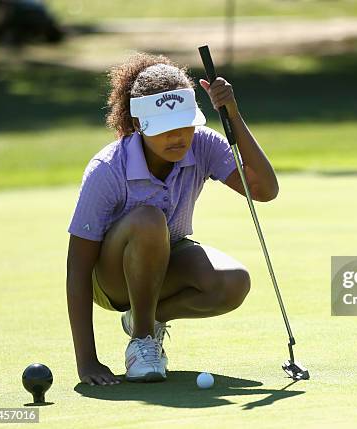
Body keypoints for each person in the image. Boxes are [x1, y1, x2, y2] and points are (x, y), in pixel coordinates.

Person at [66, 52, 279, 385]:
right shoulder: (107, 169)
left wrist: (233, 115)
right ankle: (142, 341)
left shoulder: (202, 144)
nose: (179, 137)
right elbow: (78, 269)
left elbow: (264, 189)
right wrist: (87, 362)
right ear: (138, 125)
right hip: (110, 281)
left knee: (233, 282)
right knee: (149, 220)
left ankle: (144, 318)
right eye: (166, 128)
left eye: (185, 125)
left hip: (166, 260)